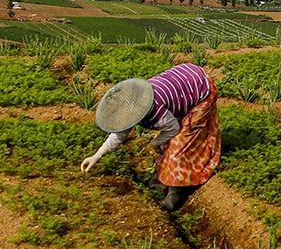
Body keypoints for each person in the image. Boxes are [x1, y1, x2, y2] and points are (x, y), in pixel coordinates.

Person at [80, 62, 220, 212]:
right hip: (184, 82)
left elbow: (173, 128)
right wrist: (97, 155)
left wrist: (156, 142)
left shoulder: (156, 111)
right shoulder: (133, 104)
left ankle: (176, 193)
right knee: (168, 142)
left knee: (180, 144)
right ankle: (158, 181)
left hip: (201, 88)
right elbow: (119, 135)